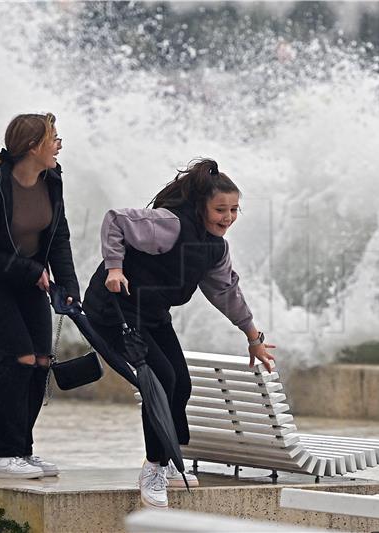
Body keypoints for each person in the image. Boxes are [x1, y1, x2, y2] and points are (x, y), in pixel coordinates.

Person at [83, 158, 276, 508]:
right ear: (201, 205)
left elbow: (225, 291)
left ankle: (168, 457)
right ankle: (153, 467)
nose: (228, 217)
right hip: (113, 312)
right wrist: (114, 267)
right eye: (220, 209)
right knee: (160, 379)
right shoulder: (170, 224)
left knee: (181, 384)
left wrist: (252, 336)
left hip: (152, 315)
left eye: (234, 210)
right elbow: (116, 221)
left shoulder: (214, 248)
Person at [0, 113, 80, 479]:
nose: (59, 145)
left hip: (29, 281)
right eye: (54, 139)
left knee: (41, 360)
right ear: (33, 147)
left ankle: (21, 451)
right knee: (19, 358)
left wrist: (69, 286)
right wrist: (31, 271)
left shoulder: (52, 180)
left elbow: (58, 237)